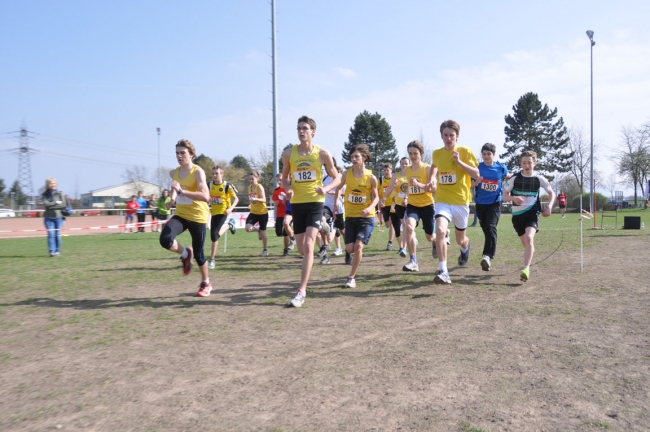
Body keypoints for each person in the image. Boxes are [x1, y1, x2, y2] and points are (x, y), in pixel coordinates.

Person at [281, 115, 339, 308]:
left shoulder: (322, 154)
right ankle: (322, 227)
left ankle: (301, 290)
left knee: (307, 245)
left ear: (313, 131)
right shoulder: (289, 153)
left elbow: (337, 178)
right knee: (301, 248)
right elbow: (284, 177)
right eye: (299, 128)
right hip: (297, 204)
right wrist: (287, 188)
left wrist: (326, 189)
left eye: (305, 128)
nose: (301, 131)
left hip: (315, 203)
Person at [158, 139, 212, 297]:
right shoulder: (174, 172)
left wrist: (182, 192)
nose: (179, 156)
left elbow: (206, 196)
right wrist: (173, 199)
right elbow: (175, 185)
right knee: (165, 239)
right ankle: (185, 254)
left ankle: (206, 283)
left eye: (182, 153)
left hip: (198, 217)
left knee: (200, 255)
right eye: (177, 153)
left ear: (191, 155)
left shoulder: (197, 172)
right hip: (181, 215)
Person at [430, 119, 479, 285]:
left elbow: (476, 173)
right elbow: (434, 166)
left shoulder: (464, 151)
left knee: (460, 239)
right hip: (442, 200)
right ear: (442, 136)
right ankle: (443, 271)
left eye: (452, 135)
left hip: (460, 202)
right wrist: (431, 179)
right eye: (445, 135)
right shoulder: (437, 153)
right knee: (441, 231)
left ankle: (465, 247)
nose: (448, 138)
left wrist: (459, 162)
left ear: (457, 136)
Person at [502, 150, 555, 282]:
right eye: (524, 163)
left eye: (529, 163)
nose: (527, 165)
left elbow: (551, 193)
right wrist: (514, 198)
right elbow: (504, 195)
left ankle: (526, 269)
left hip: (532, 212)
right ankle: (529, 254)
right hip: (517, 216)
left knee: (529, 238)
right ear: (521, 163)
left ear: (534, 163)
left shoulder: (539, 178)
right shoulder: (514, 178)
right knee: (525, 243)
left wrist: (549, 206)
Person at [334, 144, 379, 288]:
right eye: (352, 156)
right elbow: (339, 188)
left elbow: (377, 198)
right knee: (349, 249)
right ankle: (353, 261)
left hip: (366, 217)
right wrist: (336, 203)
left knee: (358, 245)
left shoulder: (371, 178)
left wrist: (369, 208)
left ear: (364, 158)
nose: (353, 159)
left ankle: (351, 277)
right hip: (350, 216)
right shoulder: (347, 174)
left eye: (357, 156)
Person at [401, 140, 437, 272]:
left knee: (430, 237)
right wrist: (406, 196)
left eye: (415, 153)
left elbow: (434, 190)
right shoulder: (407, 170)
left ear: (421, 153)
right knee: (409, 227)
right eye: (410, 153)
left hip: (427, 206)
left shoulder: (427, 169)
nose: (412, 156)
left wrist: (418, 184)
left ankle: (436, 240)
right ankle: (413, 261)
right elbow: (409, 187)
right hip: (413, 205)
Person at [472, 143, 509, 271]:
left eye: (489, 154)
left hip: (495, 203)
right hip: (481, 203)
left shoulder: (501, 168)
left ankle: (487, 256)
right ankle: (487, 257)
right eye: (484, 154)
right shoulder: (477, 168)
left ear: (494, 154)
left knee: (491, 227)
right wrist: (474, 183)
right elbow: (469, 182)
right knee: (487, 229)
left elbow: (509, 178)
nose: (486, 156)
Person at [207, 165, 239, 269]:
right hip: (214, 212)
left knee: (214, 236)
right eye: (213, 173)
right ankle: (229, 226)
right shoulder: (209, 185)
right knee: (213, 235)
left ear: (222, 174)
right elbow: (206, 197)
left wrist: (230, 209)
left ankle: (212, 260)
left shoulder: (227, 186)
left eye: (217, 173)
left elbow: (236, 199)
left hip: (223, 212)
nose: (214, 175)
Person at [380, 156, 410, 257]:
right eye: (402, 163)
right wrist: (383, 198)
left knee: (407, 226)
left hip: (410, 204)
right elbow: (389, 189)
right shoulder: (396, 176)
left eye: (406, 163)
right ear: (400, 165)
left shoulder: (413, 174)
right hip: (396, 205)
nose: (404, 165)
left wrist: (407, 198)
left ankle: (405, 246)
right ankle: (402, 246)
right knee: (396, 229)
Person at [323, 162, 345, 263]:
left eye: (328, 167)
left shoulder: (340, 177)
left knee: (343, 231)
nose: (327, 170)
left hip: (339, 208)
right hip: (327, 206)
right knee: (323, 221)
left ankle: (348, 252)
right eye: (325, 167)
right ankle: (326, 247)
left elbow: (346, 192)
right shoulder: (324, 178)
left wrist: (335, 192)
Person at [42, 178, 68, 257]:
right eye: (51, 183)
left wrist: (52, 206)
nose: (53, 185)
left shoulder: (60, 194)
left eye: (54, 183)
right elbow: (46, 204)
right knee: (51, 234)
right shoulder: (44, 195)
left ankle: (57, 251)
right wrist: (56, 203)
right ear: (48, 185)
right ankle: (51, 251)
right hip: (48, 218)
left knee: (57, 234)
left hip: (58, 217)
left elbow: (63, 205)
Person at [245, 171, 269, 256]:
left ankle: (265, 249)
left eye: (253, 179)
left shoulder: (259, 187)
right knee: (248, 228)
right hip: (253, 213)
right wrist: (250, 204)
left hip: (263, 213)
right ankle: (258, 229)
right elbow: (251, 199)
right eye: (250, 179)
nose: (251, 180)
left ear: (257, 178)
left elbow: (264, 200)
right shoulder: (249, 188)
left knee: (263, 234)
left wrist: (256, 200)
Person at [271, 173, 292, 257]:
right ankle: (291, 235)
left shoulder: (288, 189)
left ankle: (286, 249)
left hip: (288, 214)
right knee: (279, 233)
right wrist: (275, 203)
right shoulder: (276, 190)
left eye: (280, 180)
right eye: (277, 180)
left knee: (285, 233)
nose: (279, 182)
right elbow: (275, 202)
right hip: (279, 214)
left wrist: (285, 198)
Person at [378, 163, 396, 251]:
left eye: (387, 170)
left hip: (394, 204)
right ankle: (398, 229)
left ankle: (390, 243)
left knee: (392, 223)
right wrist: (379, 201)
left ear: (391, 170)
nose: (385, 172)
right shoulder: (381, 180)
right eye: (384, 170)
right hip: (384, 204)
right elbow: (377, 192)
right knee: (388, 225)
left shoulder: (395, 179)